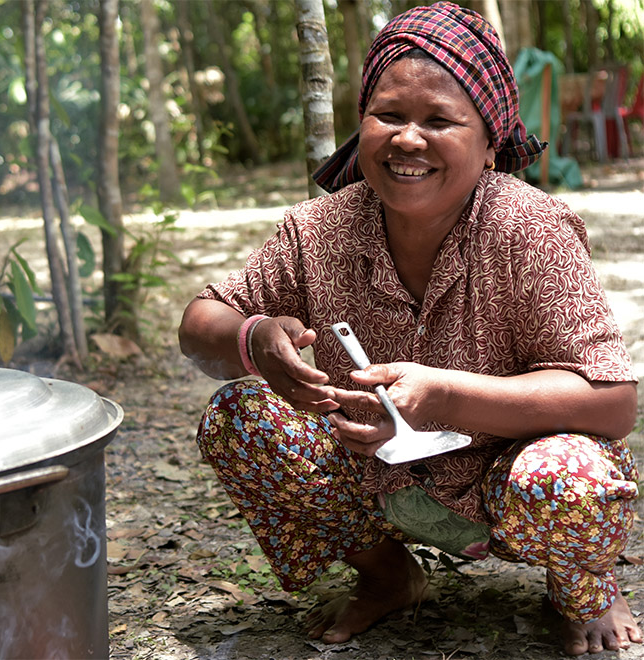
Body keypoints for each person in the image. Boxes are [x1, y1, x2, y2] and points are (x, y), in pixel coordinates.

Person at [178, 2, 641, 657]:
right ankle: (390, 578)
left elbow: (613, 402)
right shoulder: (317, 232)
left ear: (490, 143)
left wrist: (447, 397)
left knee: (571, 478)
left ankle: (584, 586)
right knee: (239, 416)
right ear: (360, 122)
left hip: (505, 482)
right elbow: (198, 322)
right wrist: (253, 335)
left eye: (440, 120)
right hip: (376, 486)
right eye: (388, 115)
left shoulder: (531, 230)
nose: (408, 139)